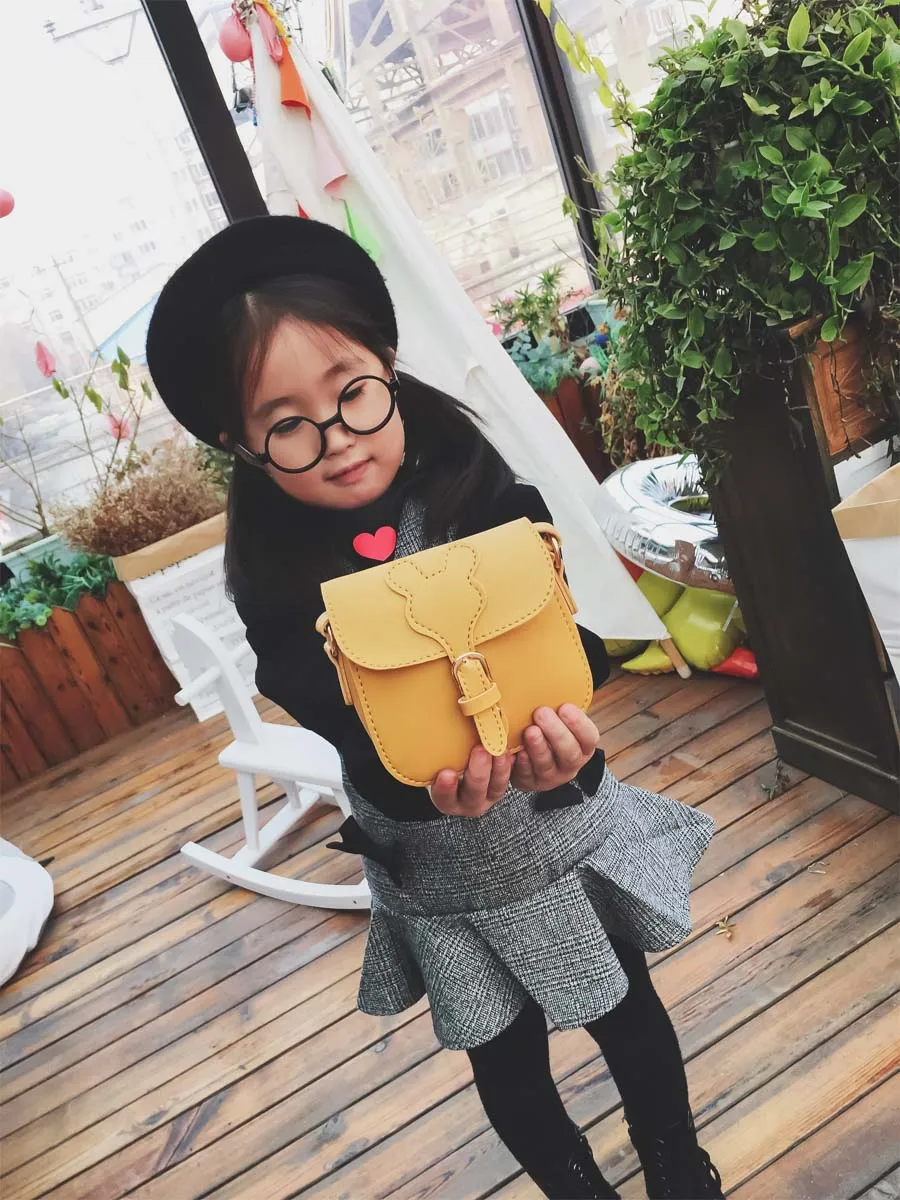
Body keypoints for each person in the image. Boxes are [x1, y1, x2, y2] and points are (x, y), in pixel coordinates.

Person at [146, 216, 724, 1200]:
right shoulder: (274, 581)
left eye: (352, 393)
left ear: (387, 365)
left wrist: (572, 723)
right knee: (505, 1057)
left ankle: (676, 1162)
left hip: (555, 826)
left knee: (626, 1008)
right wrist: (424, 787)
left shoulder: (484, 490)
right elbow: (329, 709)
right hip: (436, 868)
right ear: (242, 445)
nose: (336, 439)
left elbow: (561, 639)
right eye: (287, 423)